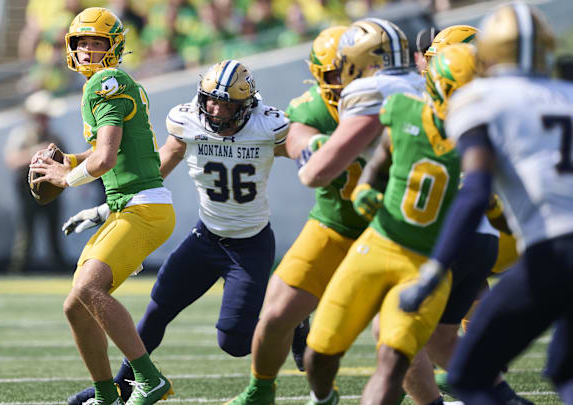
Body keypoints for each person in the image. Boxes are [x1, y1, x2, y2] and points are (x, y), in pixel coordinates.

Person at [67, 59, 291, 405]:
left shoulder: (267, 126)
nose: (215, 109)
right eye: (210, 99)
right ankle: (125, 385)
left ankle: (294, 322)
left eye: (226, 103)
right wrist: (108, 207)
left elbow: (309, 153)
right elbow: (159, 167)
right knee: (157, 309)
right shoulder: (188, 121)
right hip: (206, 237)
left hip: (250, 244)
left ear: (245, 105)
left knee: (233, 342)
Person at [399, 3, 573, 404]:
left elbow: (475, 191)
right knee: (566, 367)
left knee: (469, 375)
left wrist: (434, 269)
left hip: (554, 251)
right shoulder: (565, 93)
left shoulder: (479, 99)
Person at [27, 7, 176, 405]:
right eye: (83, 43)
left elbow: (106, 159)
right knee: (75, 305)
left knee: (90, 289)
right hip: (128, 206)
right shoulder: (106, 83)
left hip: (143, 208)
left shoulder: (106, 84)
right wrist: (69, 163)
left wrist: (65, 177)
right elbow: (108, 152)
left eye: (98, 43)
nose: (89, 50)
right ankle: (105, 393)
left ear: (114, 48)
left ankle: (148, 379)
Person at [225, 25, 372, 405]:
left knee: (397, 335)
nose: (347, 82)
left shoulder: (398, 101)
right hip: (335, 223)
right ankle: (261, 389)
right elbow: (299, 140)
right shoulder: (312, 107)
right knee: (275, 313)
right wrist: (322, 145)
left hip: (393, 231)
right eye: (338, 73)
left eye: (354, 69)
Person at [295, 18, 427, 405]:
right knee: (407, 342)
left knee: (384, 341)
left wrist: (314, 155)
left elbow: (316, 174)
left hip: (404, 232)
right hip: (452, 220)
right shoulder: (426, 80)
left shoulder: (372, 90)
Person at [5, 90, 66, 273]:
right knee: (26, 229)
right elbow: (12, 160)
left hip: (52, 187)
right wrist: (36, 152)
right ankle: (19, 267)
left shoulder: (55, 137)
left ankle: (58, 266)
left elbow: (67, 161)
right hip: (27, 189)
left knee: (54, 229)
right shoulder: (21, 135)